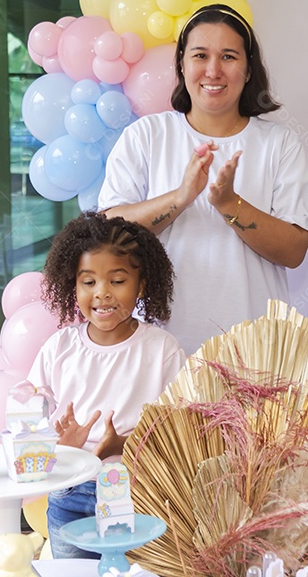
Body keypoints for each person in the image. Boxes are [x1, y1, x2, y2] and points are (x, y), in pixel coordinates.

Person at [99, 4, 308, 354]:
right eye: (200, 55)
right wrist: (180, 198)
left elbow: (294, 251)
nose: (213, 70)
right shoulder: (146, 135)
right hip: (160, 352)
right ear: (181, 64)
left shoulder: (278, 143)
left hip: (255, 351)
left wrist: (229, 204)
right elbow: (110, 235)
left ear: (249, 69)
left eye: (229, 57)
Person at [29, 212, 184, 559]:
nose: (102, 293)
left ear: (141, 285)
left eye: (117, 281)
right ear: (73, 285)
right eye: (88, 282)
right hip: (69, 493)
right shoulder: (59, 347)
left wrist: (125, 443)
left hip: (137, 493)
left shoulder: (161, 349)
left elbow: (181, 426)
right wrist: (58, 444)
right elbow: (29, 414)